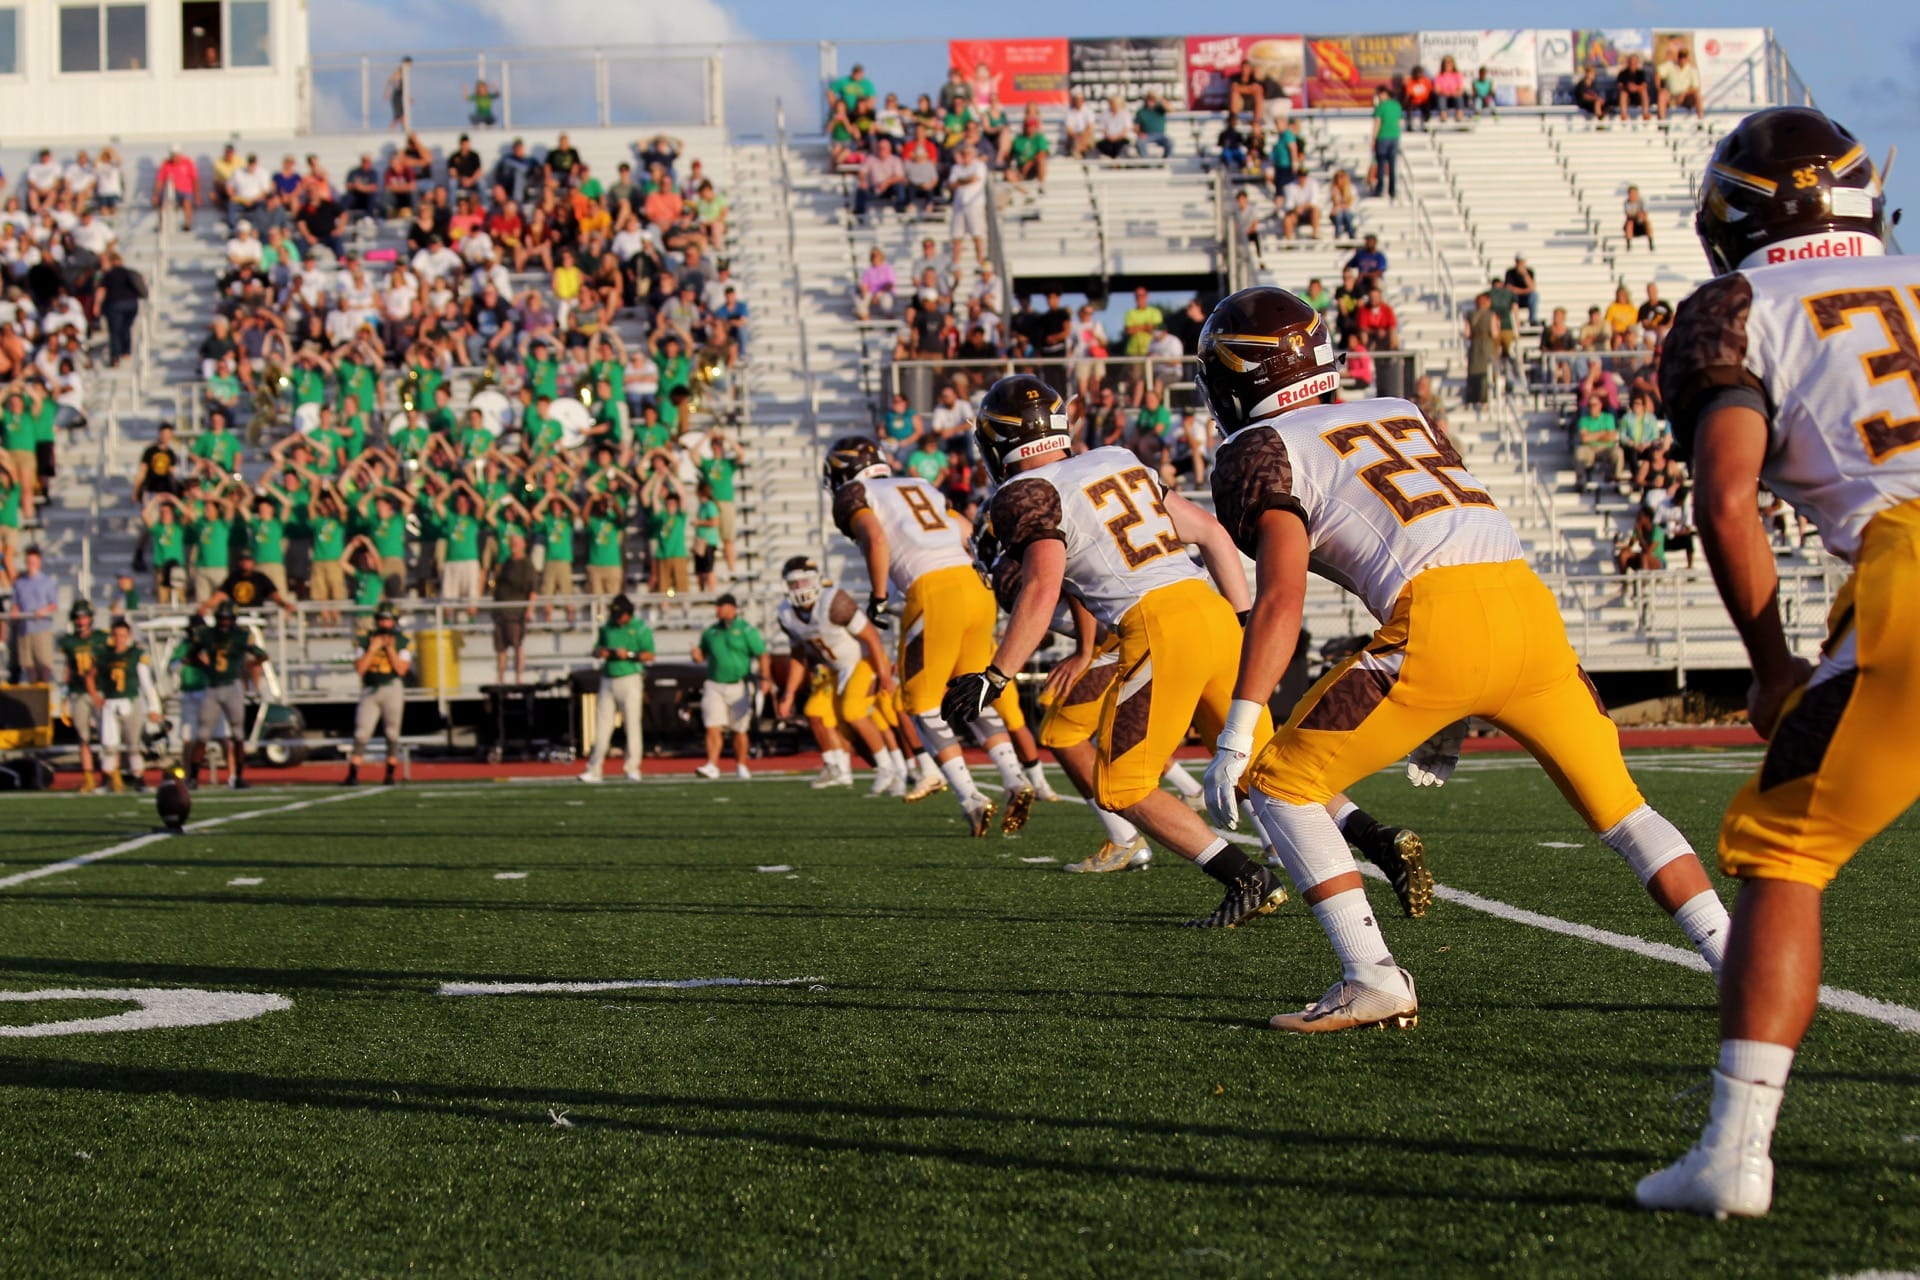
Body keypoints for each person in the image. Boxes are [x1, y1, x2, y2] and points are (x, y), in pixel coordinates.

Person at [1193, 286, 1730, 1032]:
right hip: (1529, 611)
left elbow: (1282, 597)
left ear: (1236, 375)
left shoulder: (1261, 448)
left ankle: (1371, 976)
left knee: (1280, 784)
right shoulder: (1397, 410)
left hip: (1438, 624)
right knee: (1624, 811)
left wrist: (1236, 729)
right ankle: (1736, 959)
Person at [1636, 107, 1911, 1219]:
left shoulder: (1742, 307)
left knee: (1784, 851)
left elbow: (1726, 493)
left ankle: (1734, 1153)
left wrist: (1768, 663)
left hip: (1912, 566)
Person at [948, 376, 1291, 925]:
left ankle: (1246, 877)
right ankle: (1367, 841)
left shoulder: (1022, 493)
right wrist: (1246, 618)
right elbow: (1211, 533)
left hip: (1156, 626)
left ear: (996, 443)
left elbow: (1041, 585)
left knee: (1122, 785)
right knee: (1267, 766)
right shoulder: (1115, 458)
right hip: (1213, 609)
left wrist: (996, 673)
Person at [826, 435, 1033, 831]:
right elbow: (965, 529)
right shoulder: (918, 485)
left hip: (933, 592)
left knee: (920, 704)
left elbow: (875, 535)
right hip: (974, 587)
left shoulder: (854, 493)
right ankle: (1014, 778)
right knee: (972, 693)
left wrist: (879, 595)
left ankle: (970, 797)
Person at [774, 556, 906, 795]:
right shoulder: (786, 614)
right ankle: (837, 768)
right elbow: (797, 656)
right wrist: (789, 694)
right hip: (835, 669)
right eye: (793, 584)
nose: (798, 589)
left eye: (803, 582)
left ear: (815, 580)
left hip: (863, 661)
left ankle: (890, 768)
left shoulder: (833, 601)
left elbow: (871, 638)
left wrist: (883, 674)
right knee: (815, 712)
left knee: (855, 712)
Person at [187, 600, 266, 790]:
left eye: (227, 619)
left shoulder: (241, 635)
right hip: (213, 686)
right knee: (203, 733)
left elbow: (262, 655)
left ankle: (238, 776)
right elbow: (190, 656)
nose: (224, 622)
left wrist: (245, 667)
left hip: (232, 685)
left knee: (238, 733)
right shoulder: (206, 634)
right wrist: (205, 667)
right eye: (221, 619)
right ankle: (193, 777)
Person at [692, 594, 771, 781]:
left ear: (732, 608)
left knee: (740, 728)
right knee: (712, 725)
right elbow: (701, 656)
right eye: (717, 606)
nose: (717, 610)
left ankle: (741, 765)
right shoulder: (711, 632)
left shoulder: (746, 630)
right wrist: (696, 656)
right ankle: (712, 764)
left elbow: (762, 654)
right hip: (714, 684)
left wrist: (765, 677)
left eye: (721, 606)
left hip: (739, 684)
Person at [580, 594, 654, 784]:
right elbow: (595, 650)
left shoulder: (640, 628)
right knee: (602, 727)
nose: (617, 618)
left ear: (628, 614)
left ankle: (632, 767)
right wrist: (602, 652)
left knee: (632, 725)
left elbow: (649, 655)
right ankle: (594, 768)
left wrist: (628, 654)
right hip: (608, 678)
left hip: (630, 678)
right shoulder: (607, 627)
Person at [343, 603, 411, 787]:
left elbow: (401, 670)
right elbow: (360, 669)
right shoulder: (365, 639)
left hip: (392, 687)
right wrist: (373, 649)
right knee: (362, 732)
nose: (385, 623)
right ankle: (353, 774)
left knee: (392, 732)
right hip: (370, 689)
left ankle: (390, 774)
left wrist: (389, 649)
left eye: (388, 619)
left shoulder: (402, 640)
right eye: (382, 619)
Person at [97, 616, 160, 793]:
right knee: (109, 745)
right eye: (116, 635)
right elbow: (97, 679)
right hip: (110, 702)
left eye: (123, 635)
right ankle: (106, 781)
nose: (119, 639)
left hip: (131, 701)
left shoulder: (135, 654)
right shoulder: (105, 655)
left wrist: (154, 708)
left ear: (129, 635)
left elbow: (147, 684)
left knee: (134, 745)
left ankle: (139, 779)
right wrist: (98, 697)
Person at [57, 600, 107, 791]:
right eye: (78, 617)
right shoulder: (69, 642)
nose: (81, 621)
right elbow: (68, 667)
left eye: (84, 617)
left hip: (100, 691)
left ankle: (109, 775)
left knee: (107, 736)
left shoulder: (101, 638)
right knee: (83, 737)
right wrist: (64, 692)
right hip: (78, 692)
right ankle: (89, 778)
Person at [490, 530, 537, 684]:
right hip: (501, 611)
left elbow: (533, 589)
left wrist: (530, 609)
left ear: (523, 544)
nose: (513, 546)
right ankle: (500, 679)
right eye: (512, 543)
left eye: (517, 543)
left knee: (517, 645)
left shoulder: (527, 565)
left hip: (516, 612)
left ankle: (518, 678)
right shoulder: (506, 563)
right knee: (501, 648)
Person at [12, 545, 57, 681]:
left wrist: (43, 611)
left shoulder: (46, 582)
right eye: (28, 562)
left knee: (44, 665)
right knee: (28, 666)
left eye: (33, 562)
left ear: (39, 562)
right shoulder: (20, 583)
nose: (30, 565)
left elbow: (54, 604)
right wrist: (15, 611)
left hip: (41, 628)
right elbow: (16, 603)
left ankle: (45, 695)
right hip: (25, 629)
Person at [1369, 85, 1403, 199]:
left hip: (1383, 137)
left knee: (1381, 164)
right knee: (1392, 165)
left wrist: (1374, 138)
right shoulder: (1397, 105)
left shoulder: (1381, 107)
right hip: (1394, 137)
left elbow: (1377, 123)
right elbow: (1400, 122)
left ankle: (1380, 189)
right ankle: (1392, 190)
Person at [1658, 45, 1703, 120]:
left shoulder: (1692, 70)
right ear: (1678, 57)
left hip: (1685, 98)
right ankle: (1662, 121)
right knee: (1662, 94)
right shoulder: (1670, 65)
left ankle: (1700, 120)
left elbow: (1695, 88)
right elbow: (1658, 74)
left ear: (1687, 58)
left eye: (1684, 57)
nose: (1682, 59)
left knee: (1697, 96)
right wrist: (1659, 87)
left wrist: (1684, 93)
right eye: (1681, 57)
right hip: (1671, 97)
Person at [1622, 185, 1654, 252]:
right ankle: (1628, 245)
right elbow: (1628, 215)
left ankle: (1651, 242)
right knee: (1630, 223)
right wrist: (1637, 214)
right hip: (1632, 224)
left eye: (1633, 193)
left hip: (1640, 222)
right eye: (1630, 193)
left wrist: (1637, 214)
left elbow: (1645, 214)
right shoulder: (1627, 202)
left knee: (1647, 222)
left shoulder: (1642, 201)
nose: (1632, 195)